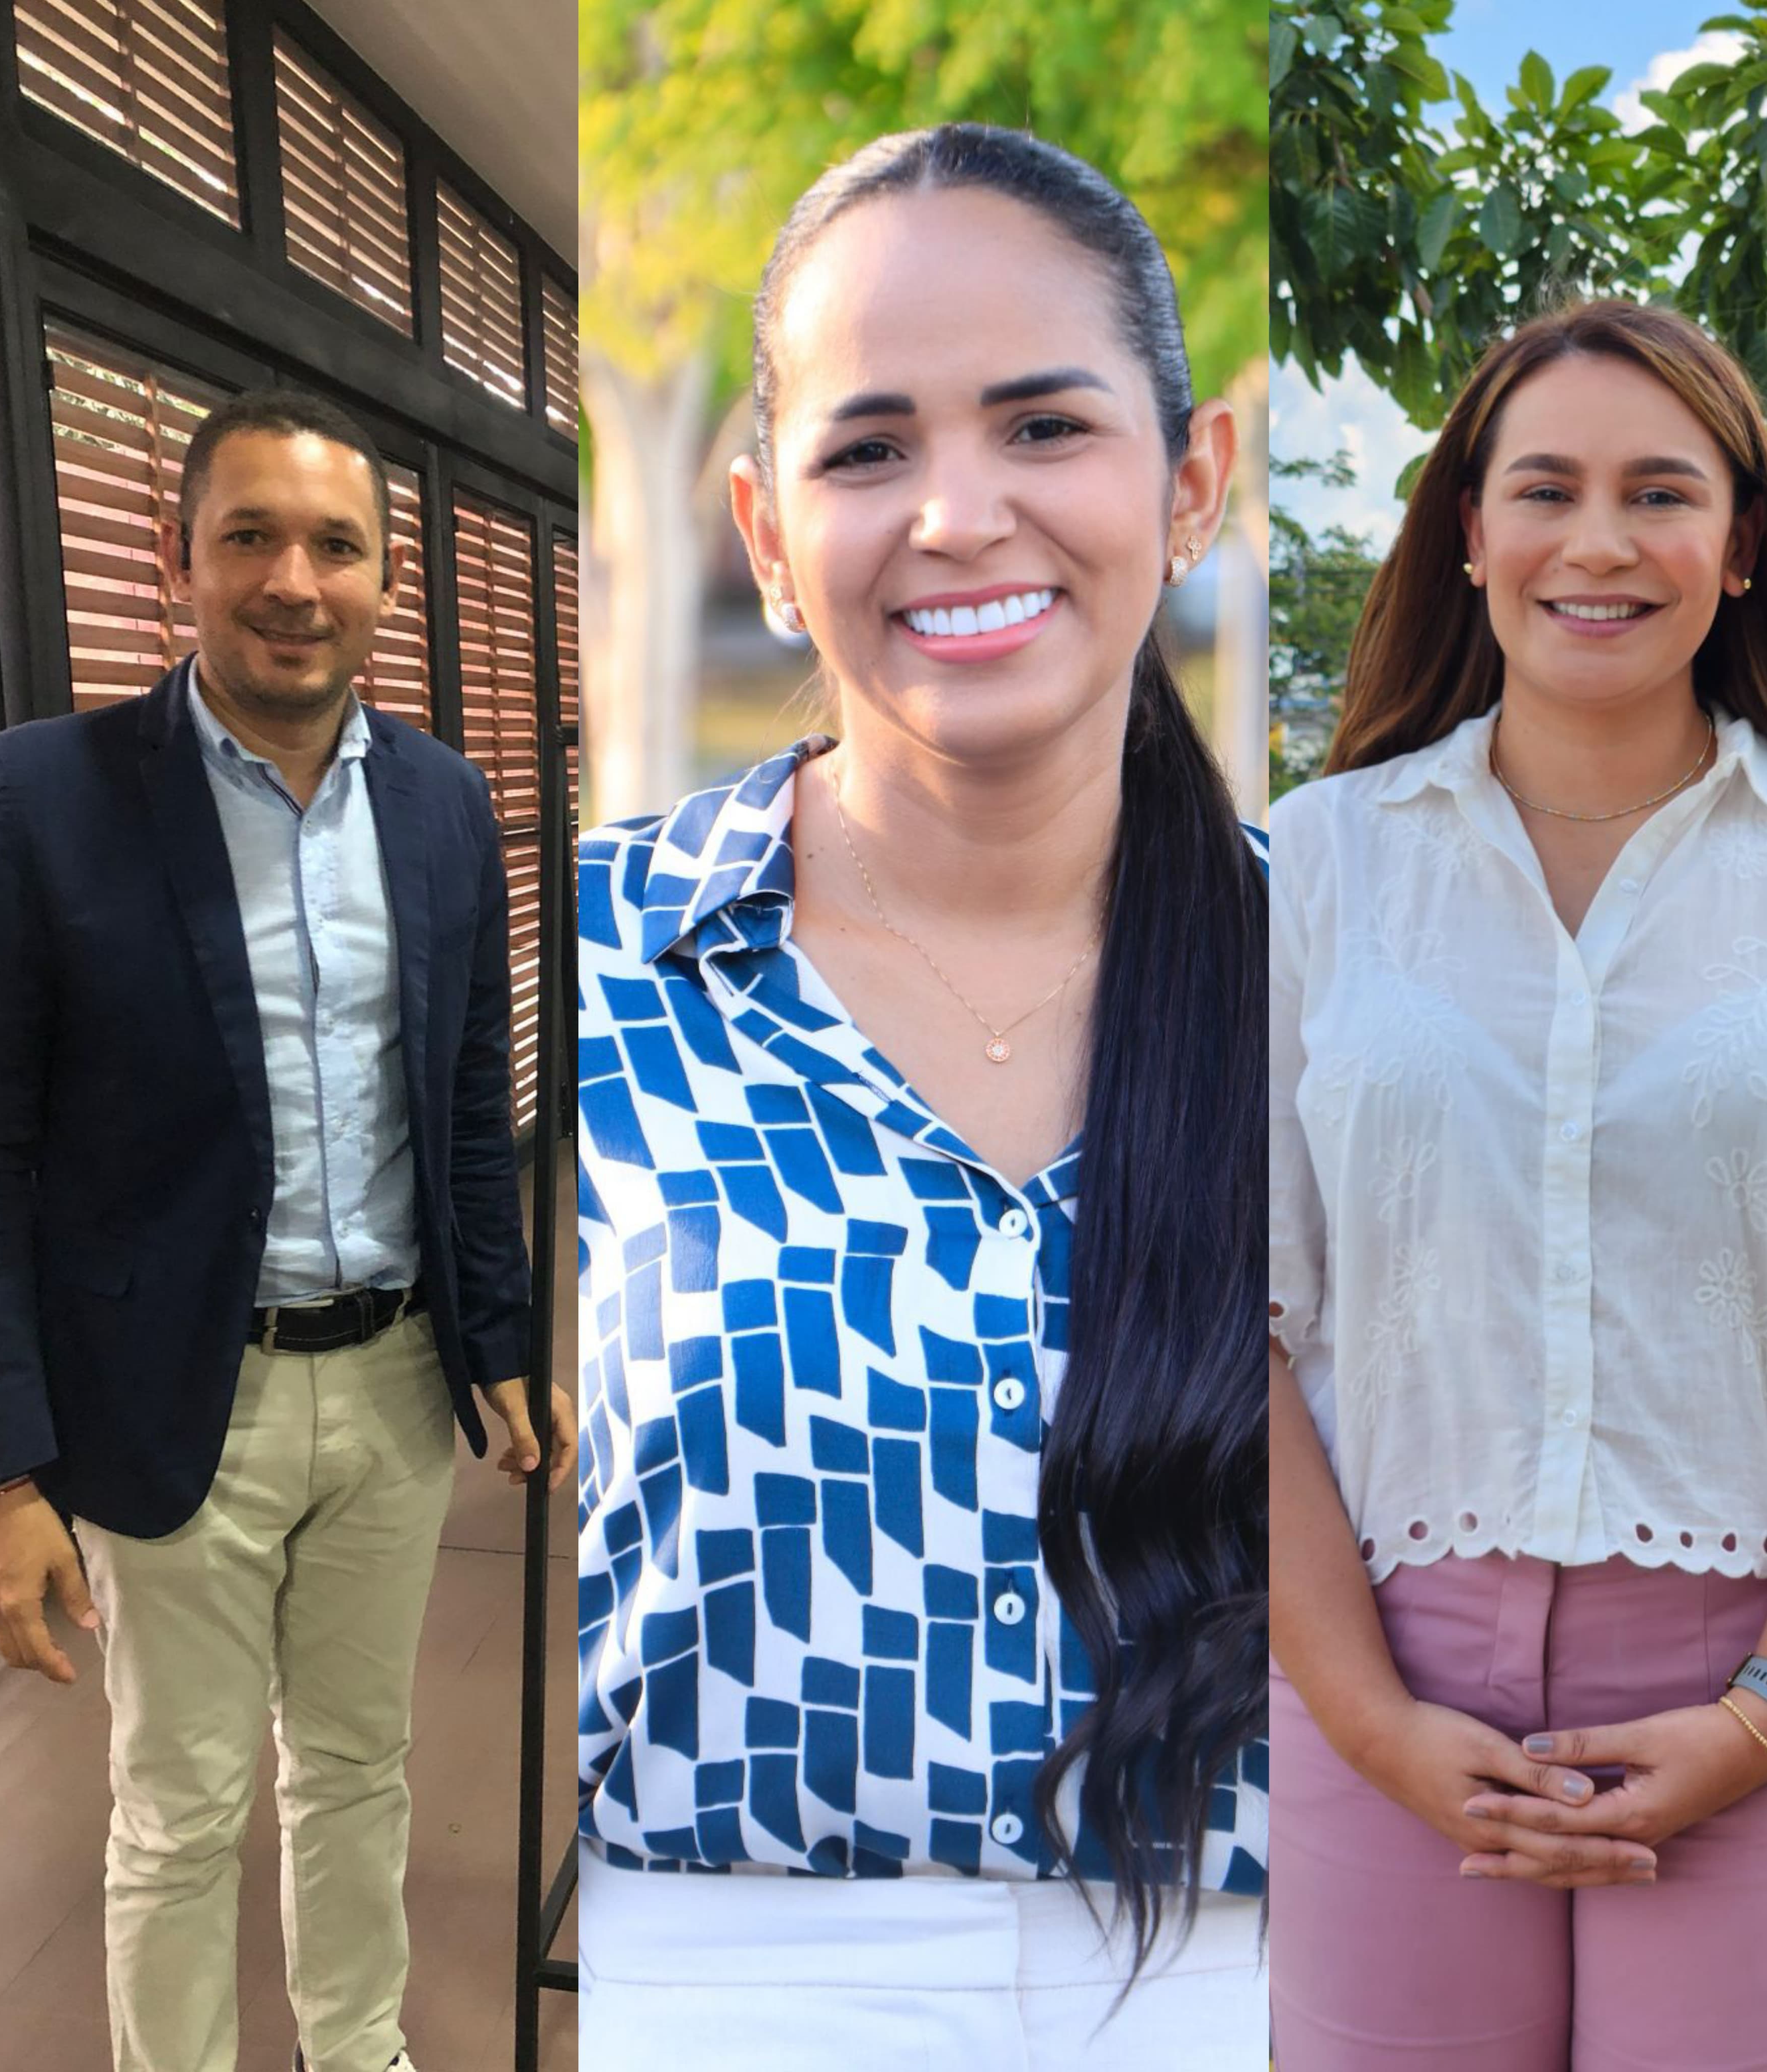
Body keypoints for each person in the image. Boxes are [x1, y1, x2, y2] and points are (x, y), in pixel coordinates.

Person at [573, 124, 1268, 2066]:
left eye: (1044, 426)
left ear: (1191, 480)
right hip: (716, 1989)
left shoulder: (1357, 986)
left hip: (1249, 1987)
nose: (960, 515)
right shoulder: (593, 964)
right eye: (870, 450)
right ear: (766, 537)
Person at [1263, 297, 1767, 2069]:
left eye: (1661, 493)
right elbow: (1225, 1320)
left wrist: (1765, 1714)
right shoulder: (1312, 868)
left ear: (1740, 548)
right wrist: (1370, 1720)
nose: (1599, 541)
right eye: (1546, 488)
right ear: (1471, 532)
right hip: (1374, 1681)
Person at [0, 387, 578, 2072]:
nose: (296, 581)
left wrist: (503, 1342)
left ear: (385, 577)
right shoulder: (44, 796)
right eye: (251, 538)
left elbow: (465, 1097)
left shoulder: (444, 802)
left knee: (361, 1765)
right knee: (183, 1802)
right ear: (179, 561)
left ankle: (357, 2049)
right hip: (168, 1391)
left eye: (337, 546)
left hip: (396, 1383)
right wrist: (3, 1476)